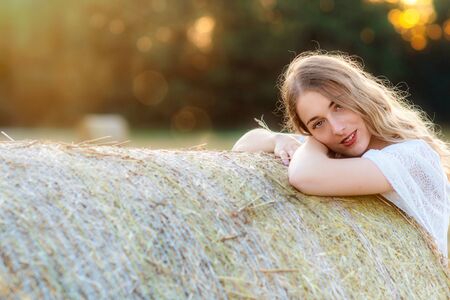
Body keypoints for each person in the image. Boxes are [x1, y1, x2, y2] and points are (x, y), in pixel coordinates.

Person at [232, 51, 450, 265]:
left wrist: (311, 140)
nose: (337, 128)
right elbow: (243, 145)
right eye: (318, 123)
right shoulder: (332, 149)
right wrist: (277, 139)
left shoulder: (412, 157)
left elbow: (303, 176)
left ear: (359, 95)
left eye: (339, 106)